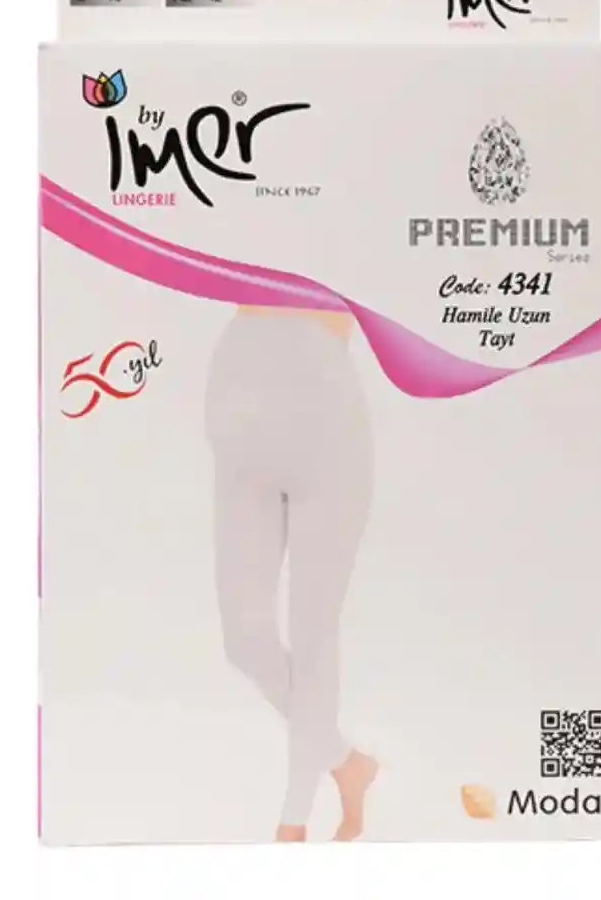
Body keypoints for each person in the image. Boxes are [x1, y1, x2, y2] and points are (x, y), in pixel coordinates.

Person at [205, 304, 378, 841]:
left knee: (313, 633)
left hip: (321, 406)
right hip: (239, 398)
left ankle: (293, 821)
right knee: (244, 639)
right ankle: (344, 761)